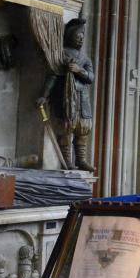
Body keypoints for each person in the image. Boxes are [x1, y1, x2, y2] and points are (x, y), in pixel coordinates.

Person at [37, 18, 95, 172]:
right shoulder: (61, 55)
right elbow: (53, 76)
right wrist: (44, 95)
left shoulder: (85, 58)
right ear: (70, 36)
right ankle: (67, 161)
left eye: (83, 35)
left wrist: (79, 70)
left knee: (83, 130)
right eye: (78, 35)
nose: (81, 38)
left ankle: (81, 160)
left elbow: (91, 78)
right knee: (66, 130)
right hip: (65, 99)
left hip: (82, 100)